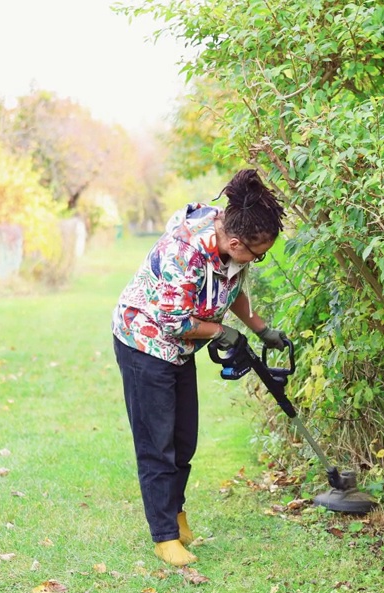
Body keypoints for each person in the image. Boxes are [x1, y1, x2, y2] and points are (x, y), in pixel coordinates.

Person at [112, 169, 289, 567]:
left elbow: (234, 284)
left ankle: (175, 511)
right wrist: (221, 332)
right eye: (256, 253)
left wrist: (261, 329)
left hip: (178, 351)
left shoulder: (233, 240)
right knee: (157, 443)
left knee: (183, 439)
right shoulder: (184, 252)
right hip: (144, 342)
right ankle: (164, 536)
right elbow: (176, 321)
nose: (257, 260)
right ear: (234, 242)